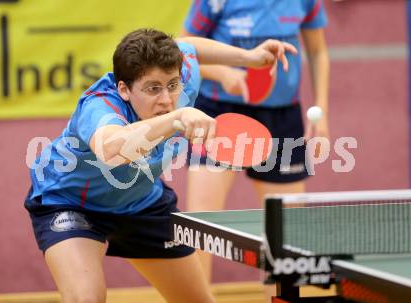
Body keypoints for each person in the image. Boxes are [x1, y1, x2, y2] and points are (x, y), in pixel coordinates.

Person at [24, 28, 296, 303]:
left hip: (142, 202)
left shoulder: (180, 77)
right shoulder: (101, 105)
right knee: (87, 300)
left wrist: (248, 58)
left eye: (172, 85)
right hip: (71, 203)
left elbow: (189, 47)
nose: (166, 99)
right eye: (153, 88)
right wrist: (177, 118)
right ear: (124, 89)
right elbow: (111, 149)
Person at [182, 0, 330, 281]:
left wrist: (322, 110)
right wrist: (224, 73)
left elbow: (318, 51)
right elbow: (183, 48)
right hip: (219, 113)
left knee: (286, 234)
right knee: (202, 225)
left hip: (282, 118)